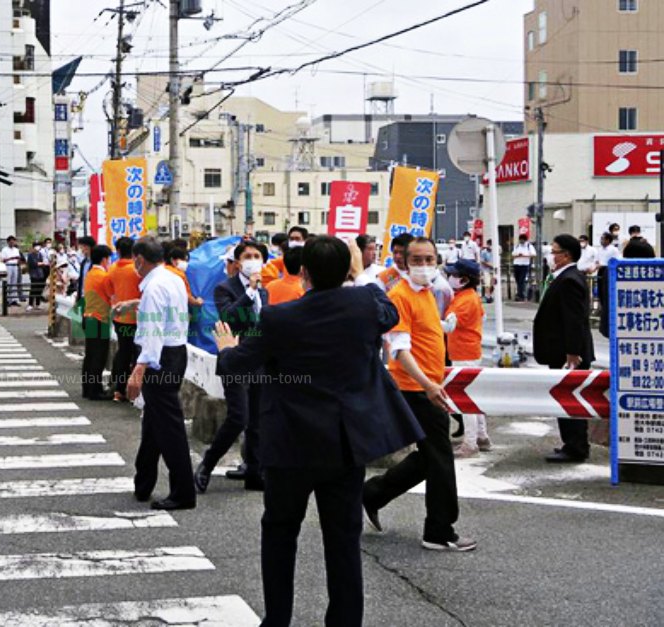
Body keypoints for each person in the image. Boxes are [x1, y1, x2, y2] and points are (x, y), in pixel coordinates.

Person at [213, 235, 423, 627]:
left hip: (290, 444)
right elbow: (388, 310)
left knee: (279, 533)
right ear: (347, 270)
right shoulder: (365, 305)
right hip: (345, 444)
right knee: (343, 540)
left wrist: (226, 347)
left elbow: (236, 366)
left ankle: (277, 620)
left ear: (303, 272)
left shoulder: (279, 318)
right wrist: (360, 276)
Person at [363, 237, 477, 552]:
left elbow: (426, 331)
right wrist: (428, 385)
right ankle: (439, 530)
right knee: (440, 458)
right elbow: (399, 350)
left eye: (430, 259)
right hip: (416, 388)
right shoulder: (399, 296)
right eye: (418, 259)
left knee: (430, 458)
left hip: (427, 386)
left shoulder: (426, 293)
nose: (425, 265)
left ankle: (372, 493)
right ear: (404, 262)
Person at [127, 237, 196, 510]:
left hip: (159, 358)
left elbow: (153, 332)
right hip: (174, 352)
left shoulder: (154, 287)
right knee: (154, 423)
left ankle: (183, 492)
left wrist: (140, 368)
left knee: (169, 428)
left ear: (140, 260)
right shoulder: (172, 278)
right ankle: (143, 482)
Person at [195, 240, 270, 493]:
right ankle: (207, 464)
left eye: (257, 255)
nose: (252, 259)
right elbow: (228, 317)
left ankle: (255, 472)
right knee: (239, 416)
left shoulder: (265, 291)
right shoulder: (224, 288)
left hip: (259, 360)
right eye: (247, 255)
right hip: (234, 359)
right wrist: (249, 292)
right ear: (238, 262)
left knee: (258, 420)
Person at [533, 234, 596, 463]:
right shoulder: (561, 277)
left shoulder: (570, 280)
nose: (552, 255)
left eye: (554, 251)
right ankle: (571, 443)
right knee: (564, 398)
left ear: (566, 255)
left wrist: (572, 353)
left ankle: (576, 446)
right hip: (559, 350)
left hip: (568, 353)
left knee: (571, 398)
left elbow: (574, 320)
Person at [443, 259, 489, 458]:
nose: (449, 277)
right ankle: (481, 437)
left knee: (465, 400)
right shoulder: (470, 296)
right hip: (470, 351)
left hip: (463, 353)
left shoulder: (463, 300)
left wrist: (426, 321)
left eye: (453, 275)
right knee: (473, 396)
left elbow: (450, 326)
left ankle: (470, 443)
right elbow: (483, 317)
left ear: (463, 279)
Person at [107, 237, 143, 402]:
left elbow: (110, 292)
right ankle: (134, 390)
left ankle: (119, 389)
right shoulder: (137, 271)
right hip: (137, 318)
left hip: (119, 317)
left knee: (123, 352)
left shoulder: (112, 269)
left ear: (118, 251)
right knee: (137, 355)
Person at [81, 245, 114, 400]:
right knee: (98, 356)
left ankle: (87, 388)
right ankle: (95, 390)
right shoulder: (104, 277)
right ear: (104, 259)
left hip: (89, 316)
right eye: (109, 259)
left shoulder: (90, 274)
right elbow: (112, 297)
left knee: (90, 355)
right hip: (100, 318)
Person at [595, 232, 622, 338]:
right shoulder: (599, 250)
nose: (601, 240)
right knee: (601, 293)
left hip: (608, 270)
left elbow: (616, 261)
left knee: (607, 294)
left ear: (608, 240)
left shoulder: (613, 250)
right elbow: (597, 261)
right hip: (600, 271)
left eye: (603, 239)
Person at [0, 236, 24, 306]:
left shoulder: (16, 249)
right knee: (8, 282)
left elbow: (19, 258)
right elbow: (3, 260)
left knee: (14, 283)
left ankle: (14, 299)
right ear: (8, 242)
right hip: (8, 266)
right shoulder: (4, 250)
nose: (12, 242)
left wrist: (18, 261)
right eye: (11, 241)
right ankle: (7, 299)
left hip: (15, 266)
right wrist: (11, 258)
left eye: (13, 241)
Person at [511, 234, 536, 301]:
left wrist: (524, 255)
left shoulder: (529, 246)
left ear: (525, 240)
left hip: (524, 265)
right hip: (516, 264)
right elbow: (513, 255)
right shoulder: (517, 246)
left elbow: (534, 255)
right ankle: (520, 294)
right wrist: (518, 255)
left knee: (521, 280)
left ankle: (520, 295)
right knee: (517, 280)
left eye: (522, 240)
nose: (521, 241)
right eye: (520, 240)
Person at [26, 241, 45, 310]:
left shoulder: (40, 254)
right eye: (36, 246)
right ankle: (30, 304)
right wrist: (40, 263)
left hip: (40, 274)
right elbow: (33, 264)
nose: (38, 247)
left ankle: (38, 304)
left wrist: (40, 263)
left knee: (39, 289)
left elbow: (42, 262)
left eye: (39, 246)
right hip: (33, 274)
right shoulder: (30, 255)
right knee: (33, 289)